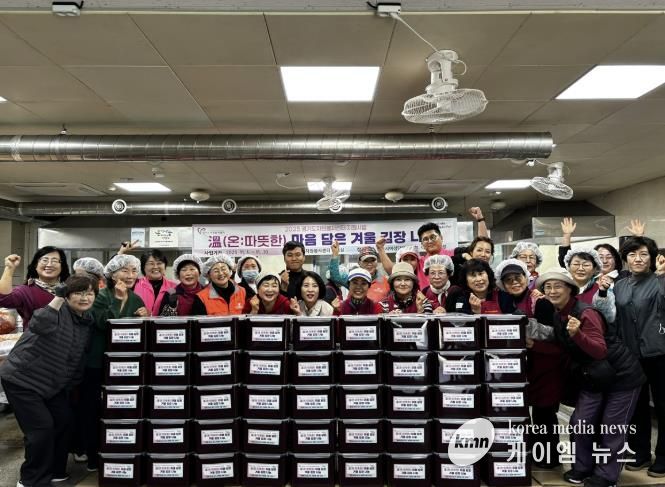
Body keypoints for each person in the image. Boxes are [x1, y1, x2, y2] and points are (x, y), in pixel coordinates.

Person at [537, 268, 645, 487]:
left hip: (622, 376)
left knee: (611, 426)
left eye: (558, 286)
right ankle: (583, 466)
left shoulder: (586, 313)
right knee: (580, 422)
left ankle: (607, 475)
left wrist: (578, 334)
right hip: (593, 376)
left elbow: (599, 350)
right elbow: (562, 347)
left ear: (570, 289)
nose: (552, 291)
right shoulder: (558, 314)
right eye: (548, 287)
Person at [0, 275, 98, 487]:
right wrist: (57, 299)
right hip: (23, 379)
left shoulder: (86, 321)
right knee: (41, 430)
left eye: (89, 293)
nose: (84, 297)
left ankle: (55, 471)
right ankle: (30, 480)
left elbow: (76, 358)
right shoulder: (56, 311)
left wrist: (70, 385)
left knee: (64, 421)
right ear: (67, 295)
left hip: (51, 384)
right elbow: (38, 324)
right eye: (78, 293)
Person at [78, 254, 147, 471]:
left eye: (133, 271)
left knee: (120, 409)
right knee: (93, 411)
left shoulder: (137, 299)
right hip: (97, 363)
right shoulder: (100, 295)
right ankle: (93, 456)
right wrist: (118, 299)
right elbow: (103, 323)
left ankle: (121, 452)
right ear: (111, 274)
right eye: (124, 271)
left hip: (126, 365)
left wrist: (145, 317)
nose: (130, 275)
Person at [495, 259, 564, 469]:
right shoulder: (504, 301)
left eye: (518, 278)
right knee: (524, 415)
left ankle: (549, 458)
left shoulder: (540, 302)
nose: (514, 283)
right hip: (519, 367)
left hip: (544, 366)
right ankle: (531, 454)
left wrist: (528, 333)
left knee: (544, 414)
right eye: (508, 280)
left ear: (526, 278)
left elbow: (553, 335)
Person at [614, 236, 665, 476]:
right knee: (637, 406)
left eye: (644, 254)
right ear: (625, 259)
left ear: (652, 258)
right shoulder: (619, 285)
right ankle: (640, 452)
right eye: (632, 254)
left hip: (660, 353)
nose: (638, 259)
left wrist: (662, 278)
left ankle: (663, 456)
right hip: (631, 355)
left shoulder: (660, 280)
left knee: (663, 406)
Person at [377, 208, 489, 289]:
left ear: (441, 238)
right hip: (426, 307)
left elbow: (482, 246)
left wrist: (480, 220)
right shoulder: (419, 262)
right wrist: (380, 249)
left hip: (452, 304)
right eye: (425, 239)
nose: (430, 241)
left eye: (433, 237)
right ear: (422, 244)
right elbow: (394, 270)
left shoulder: (455, 253)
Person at [0, 246, 71, 326]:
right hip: (38, 334)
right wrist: (9, 268)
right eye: (44, 260)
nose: (49, 264)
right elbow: (4, 300)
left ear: (62, 266)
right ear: (35, 265)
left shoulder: (70, 289)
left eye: (54, 261)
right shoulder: (25, 291)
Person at [562, 247, 616, 323]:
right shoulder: (562, 289)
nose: (580, 268)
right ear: (569, 267)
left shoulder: (602, 290)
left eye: (586, 265)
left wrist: (602, 293)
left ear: (595, 269)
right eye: (576, 264)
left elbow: (608, 318)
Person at [132, 249, 177, 316]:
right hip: (139, 323)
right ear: (143, 267)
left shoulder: (174, 287)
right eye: (151, 263)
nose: (155, 267)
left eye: (159, 263)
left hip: (166, 323)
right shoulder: (134, 284)